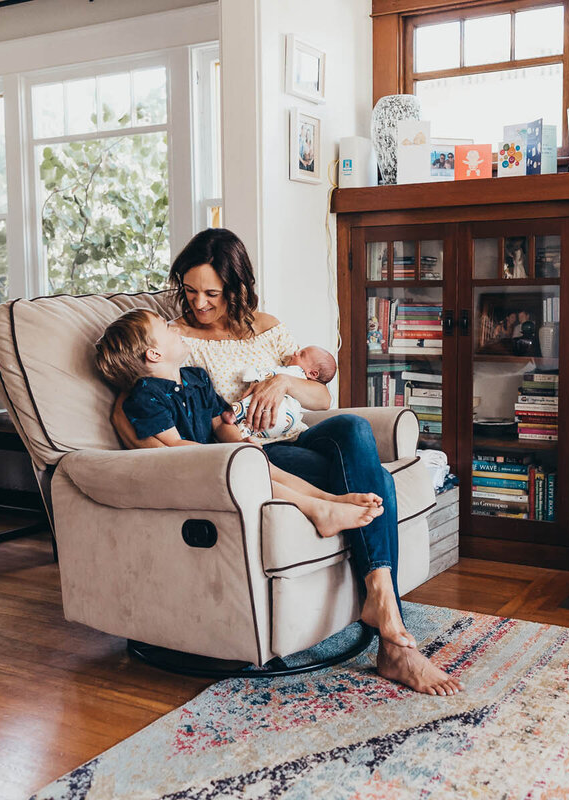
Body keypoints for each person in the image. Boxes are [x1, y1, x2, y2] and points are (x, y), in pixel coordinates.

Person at [111, 228, 462, 697]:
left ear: (237, 288)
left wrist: (282, 382)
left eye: (212, 293)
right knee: (376, 478)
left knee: (354, 428)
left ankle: (382, 607)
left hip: (298, 435)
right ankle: (392, 634)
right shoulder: (176, 337)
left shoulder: (266, 326)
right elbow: (133, 398)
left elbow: (320, 393)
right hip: (254, 453)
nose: (199, 304)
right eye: (191, 291)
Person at [94, 308, 383, 538]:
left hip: (223, 456)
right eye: (164, 326)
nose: (174, 326)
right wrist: (223, 455)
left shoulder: (196, 377)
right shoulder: (144, 398)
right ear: (154, 354)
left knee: (265, 464)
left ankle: (329, 500)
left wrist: (241, 443)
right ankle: (319, 511)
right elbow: (173, 446)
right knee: (258, 475)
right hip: (196, 467)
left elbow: (220, 422)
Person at [224, 345, 337, 440]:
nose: (295, 352)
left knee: (254, 398)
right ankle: (247, 430)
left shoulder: (295, 371)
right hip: (285, 424)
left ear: (313, 374)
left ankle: (234, 413)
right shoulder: (304, 387)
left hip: (277, 418)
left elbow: (272, 373)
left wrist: (255, 374)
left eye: (302, 354)